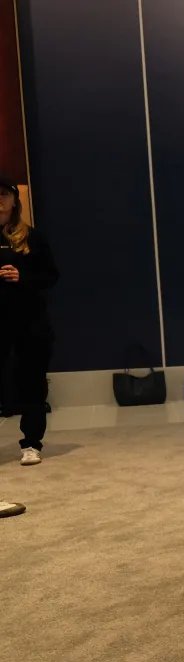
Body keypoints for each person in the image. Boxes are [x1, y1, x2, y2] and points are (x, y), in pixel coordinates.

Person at [0, 176, 57, 465]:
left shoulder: (32, 238)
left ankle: (32, 443)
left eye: (3, 194)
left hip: (30, 321)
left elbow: (51, 276)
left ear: (14, 200)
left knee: (32, 381)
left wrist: (22, 277)